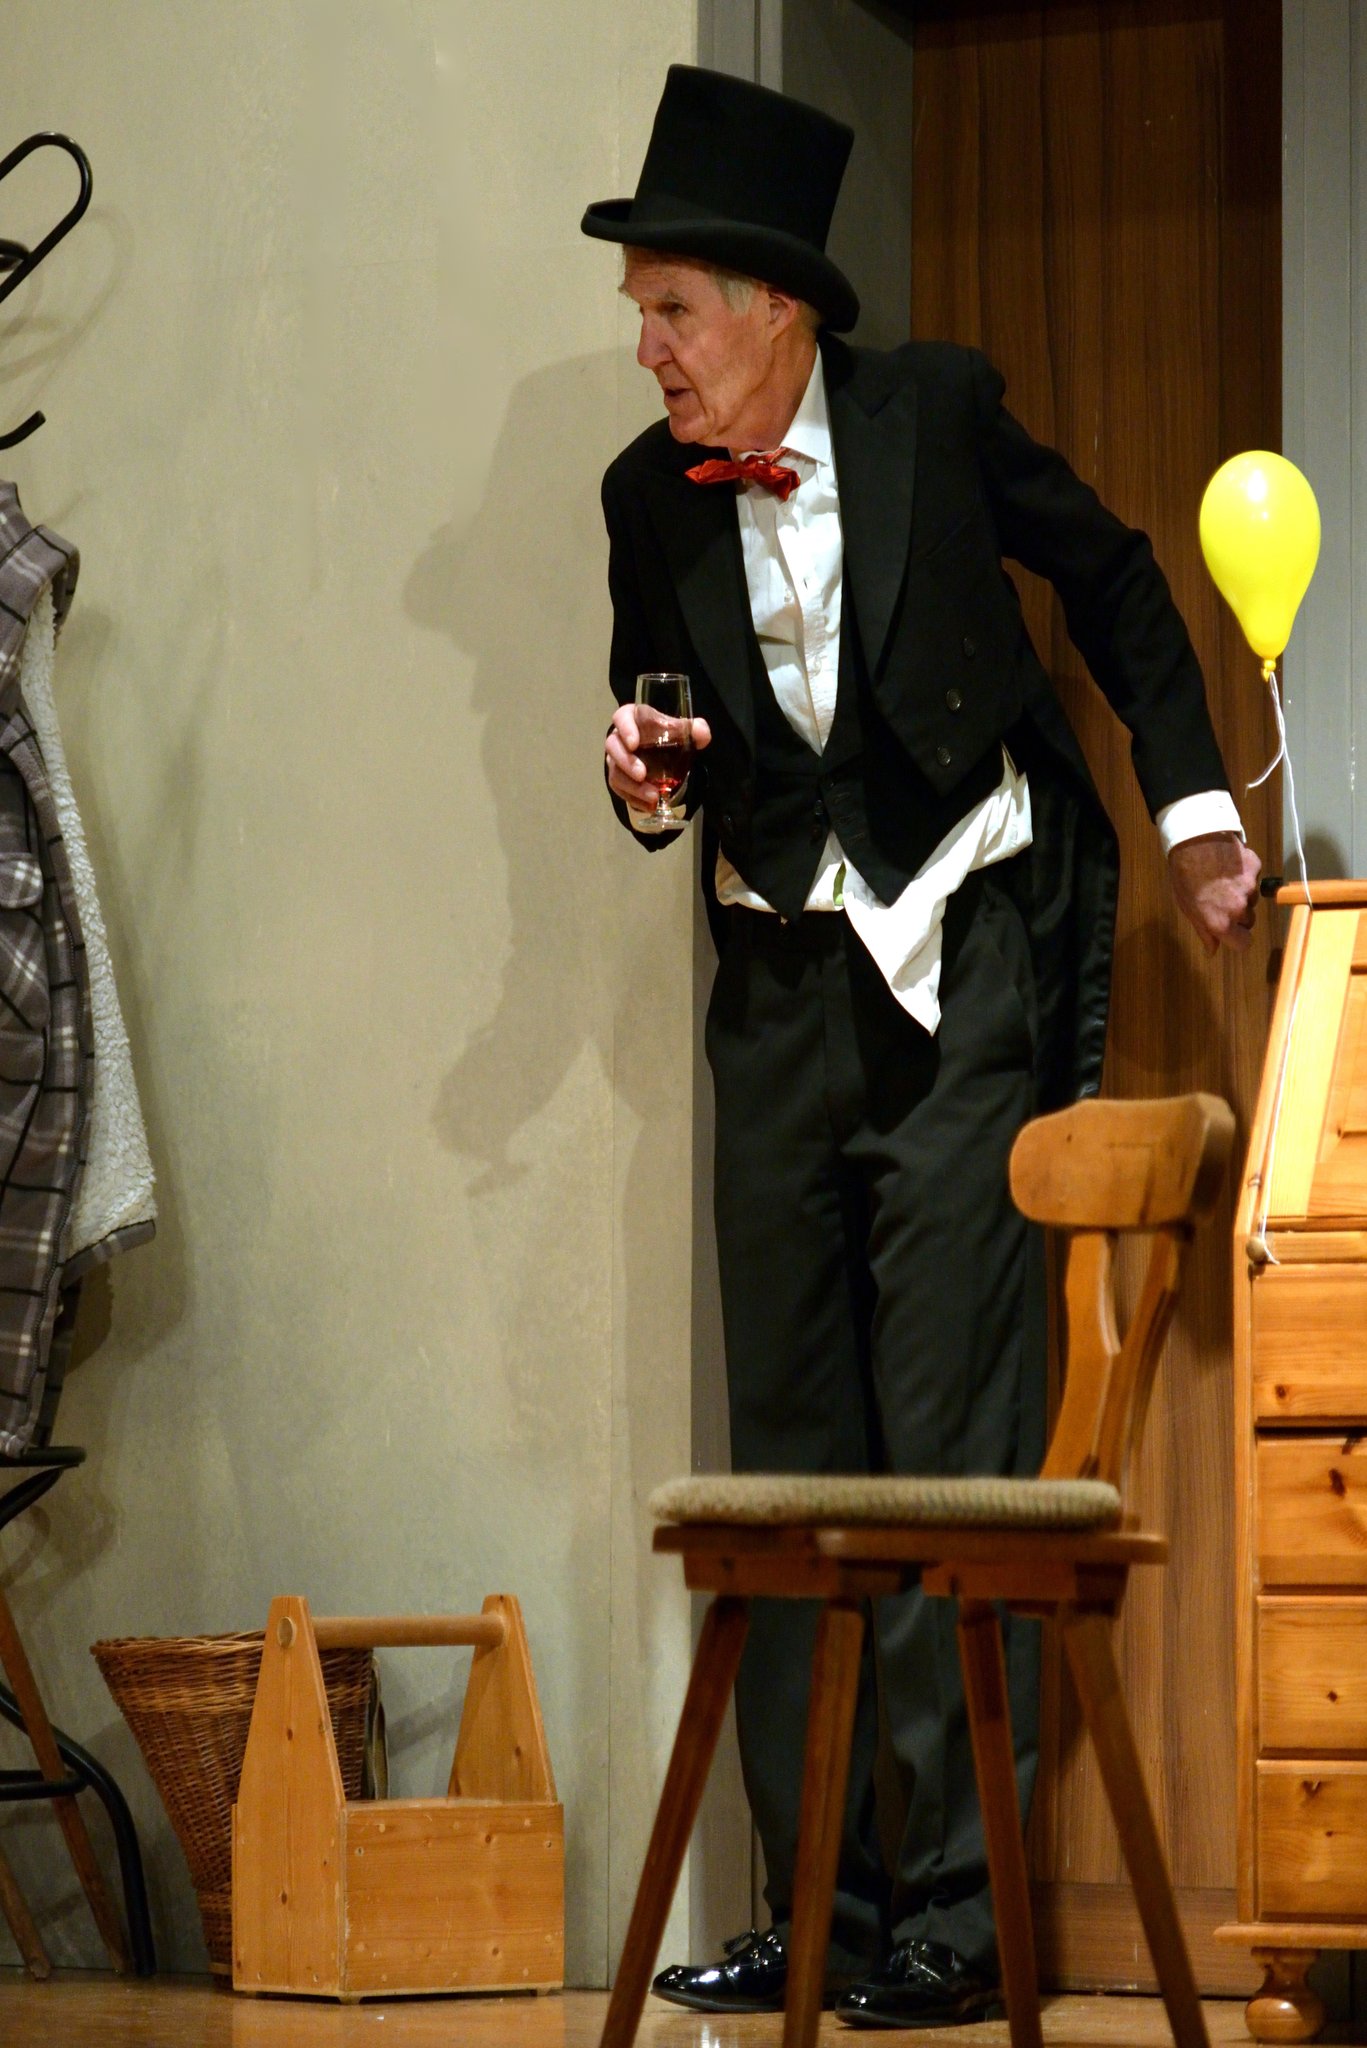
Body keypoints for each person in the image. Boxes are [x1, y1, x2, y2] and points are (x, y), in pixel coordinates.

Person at [583, 64, 1260, 2032]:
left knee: (950, 1446)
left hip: (960, 968)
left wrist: (1194, 806)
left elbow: (1115, 576)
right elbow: (658, 725)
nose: (651, 349)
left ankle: (957, 1912)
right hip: (775, 993)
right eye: (641, 313)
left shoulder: (934, 416)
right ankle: (817, 1905)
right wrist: (644, 778)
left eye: (677, 310)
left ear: (782, 308)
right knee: (790, 1459)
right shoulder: (641, 495)